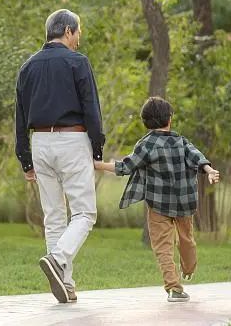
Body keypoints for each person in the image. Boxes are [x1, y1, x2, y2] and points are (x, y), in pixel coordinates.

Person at [15, 9, 105, 304]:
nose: (79, 38)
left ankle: (65, 283)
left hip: (39, 141)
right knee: (84, 213)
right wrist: (97, 145)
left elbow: (20, 115)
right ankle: (58, 259)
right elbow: (91, 106)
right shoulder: (78, 62)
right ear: (67, 31)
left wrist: (25, 157)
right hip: (72, 138)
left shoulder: (28, 66)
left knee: (54, 216)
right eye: (78, 31)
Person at [94, 96, 221, 303]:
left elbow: (126, 166)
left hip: (158, 205)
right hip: (184, 202)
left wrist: (98, 165)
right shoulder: (181, 141)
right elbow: (197, 157)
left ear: (145, 122)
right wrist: (209, 169)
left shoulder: (146, 144)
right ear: (169, 119)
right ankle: (188, 268)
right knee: (187, 239)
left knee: (163, 246)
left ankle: (174, 288)